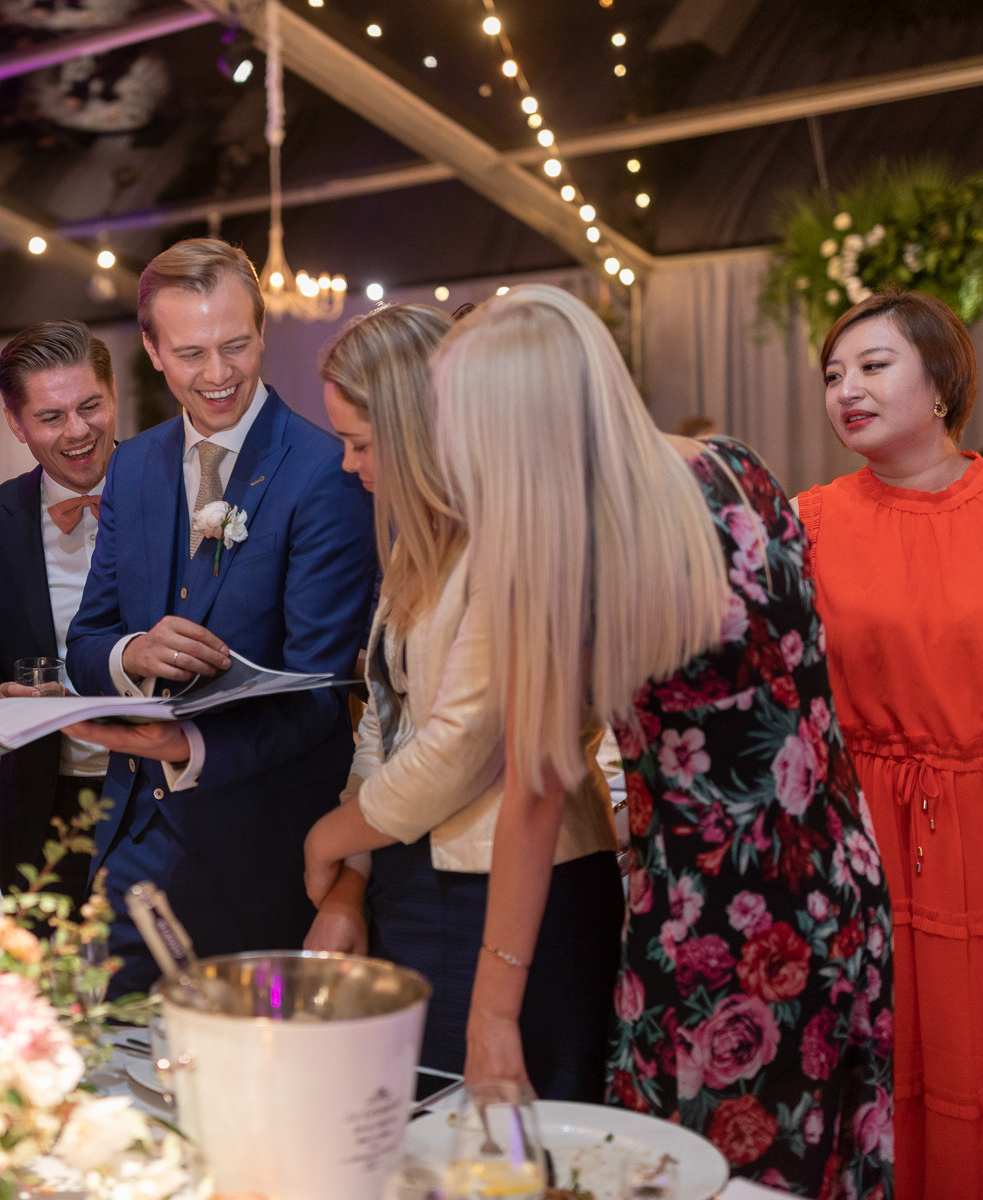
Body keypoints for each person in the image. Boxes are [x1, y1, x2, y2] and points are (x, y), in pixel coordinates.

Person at [445, 285, 893, 1193]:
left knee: (697, 1175)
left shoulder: (574, 554)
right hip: (840, 889)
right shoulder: (736, 468)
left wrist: (491, 1015)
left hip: (717, 929)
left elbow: (536, 788)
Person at [296, 303, 622, 1099]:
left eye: (360, 443)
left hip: (515, 885)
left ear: (417, 430)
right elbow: (386, 717)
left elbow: (463, 743)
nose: (347, 464)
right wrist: (354, 875)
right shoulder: (422, 542)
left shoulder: (512, 536)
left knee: (508, 1136)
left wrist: (329, 837)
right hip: (418, 877)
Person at [62, 237, 376, 995]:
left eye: (236, 346)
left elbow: (320, 691)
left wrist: (192, 745)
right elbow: (86, 643)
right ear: (152, 351)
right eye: (191, 353)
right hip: (132, 852)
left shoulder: (325, 472)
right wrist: (131, 653)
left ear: (263, 332)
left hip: (260, 852)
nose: (217, 374)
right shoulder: (133, 465)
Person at [800, 288, 981, 1200]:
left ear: (942, 383)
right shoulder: (810, 519)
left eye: (874, 367)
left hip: (973, 828)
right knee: (870, 1064)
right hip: (855, 830)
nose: (847, 390)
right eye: (834, 375)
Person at [0, 320, 118, 906]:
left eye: (90, 407)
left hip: (167, 787)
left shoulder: (178, 489)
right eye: (51, 417)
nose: (78, 431)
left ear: (113, 396)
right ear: (16, 424)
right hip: (43, 800)